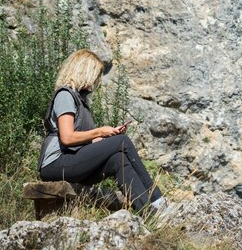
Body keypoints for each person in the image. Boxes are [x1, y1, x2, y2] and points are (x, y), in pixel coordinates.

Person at [38, 49, 165, 213]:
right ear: (85, 72)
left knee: (118, 159)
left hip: (71, 159)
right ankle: (157, 199)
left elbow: (85, 141)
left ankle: (149, 214)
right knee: (123, 142)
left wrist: (109, 135)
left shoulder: (81, 101)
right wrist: (100, 132)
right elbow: (68, 138)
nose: (97, 81)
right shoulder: (65, 96)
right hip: (55, 163)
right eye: (96, 75)